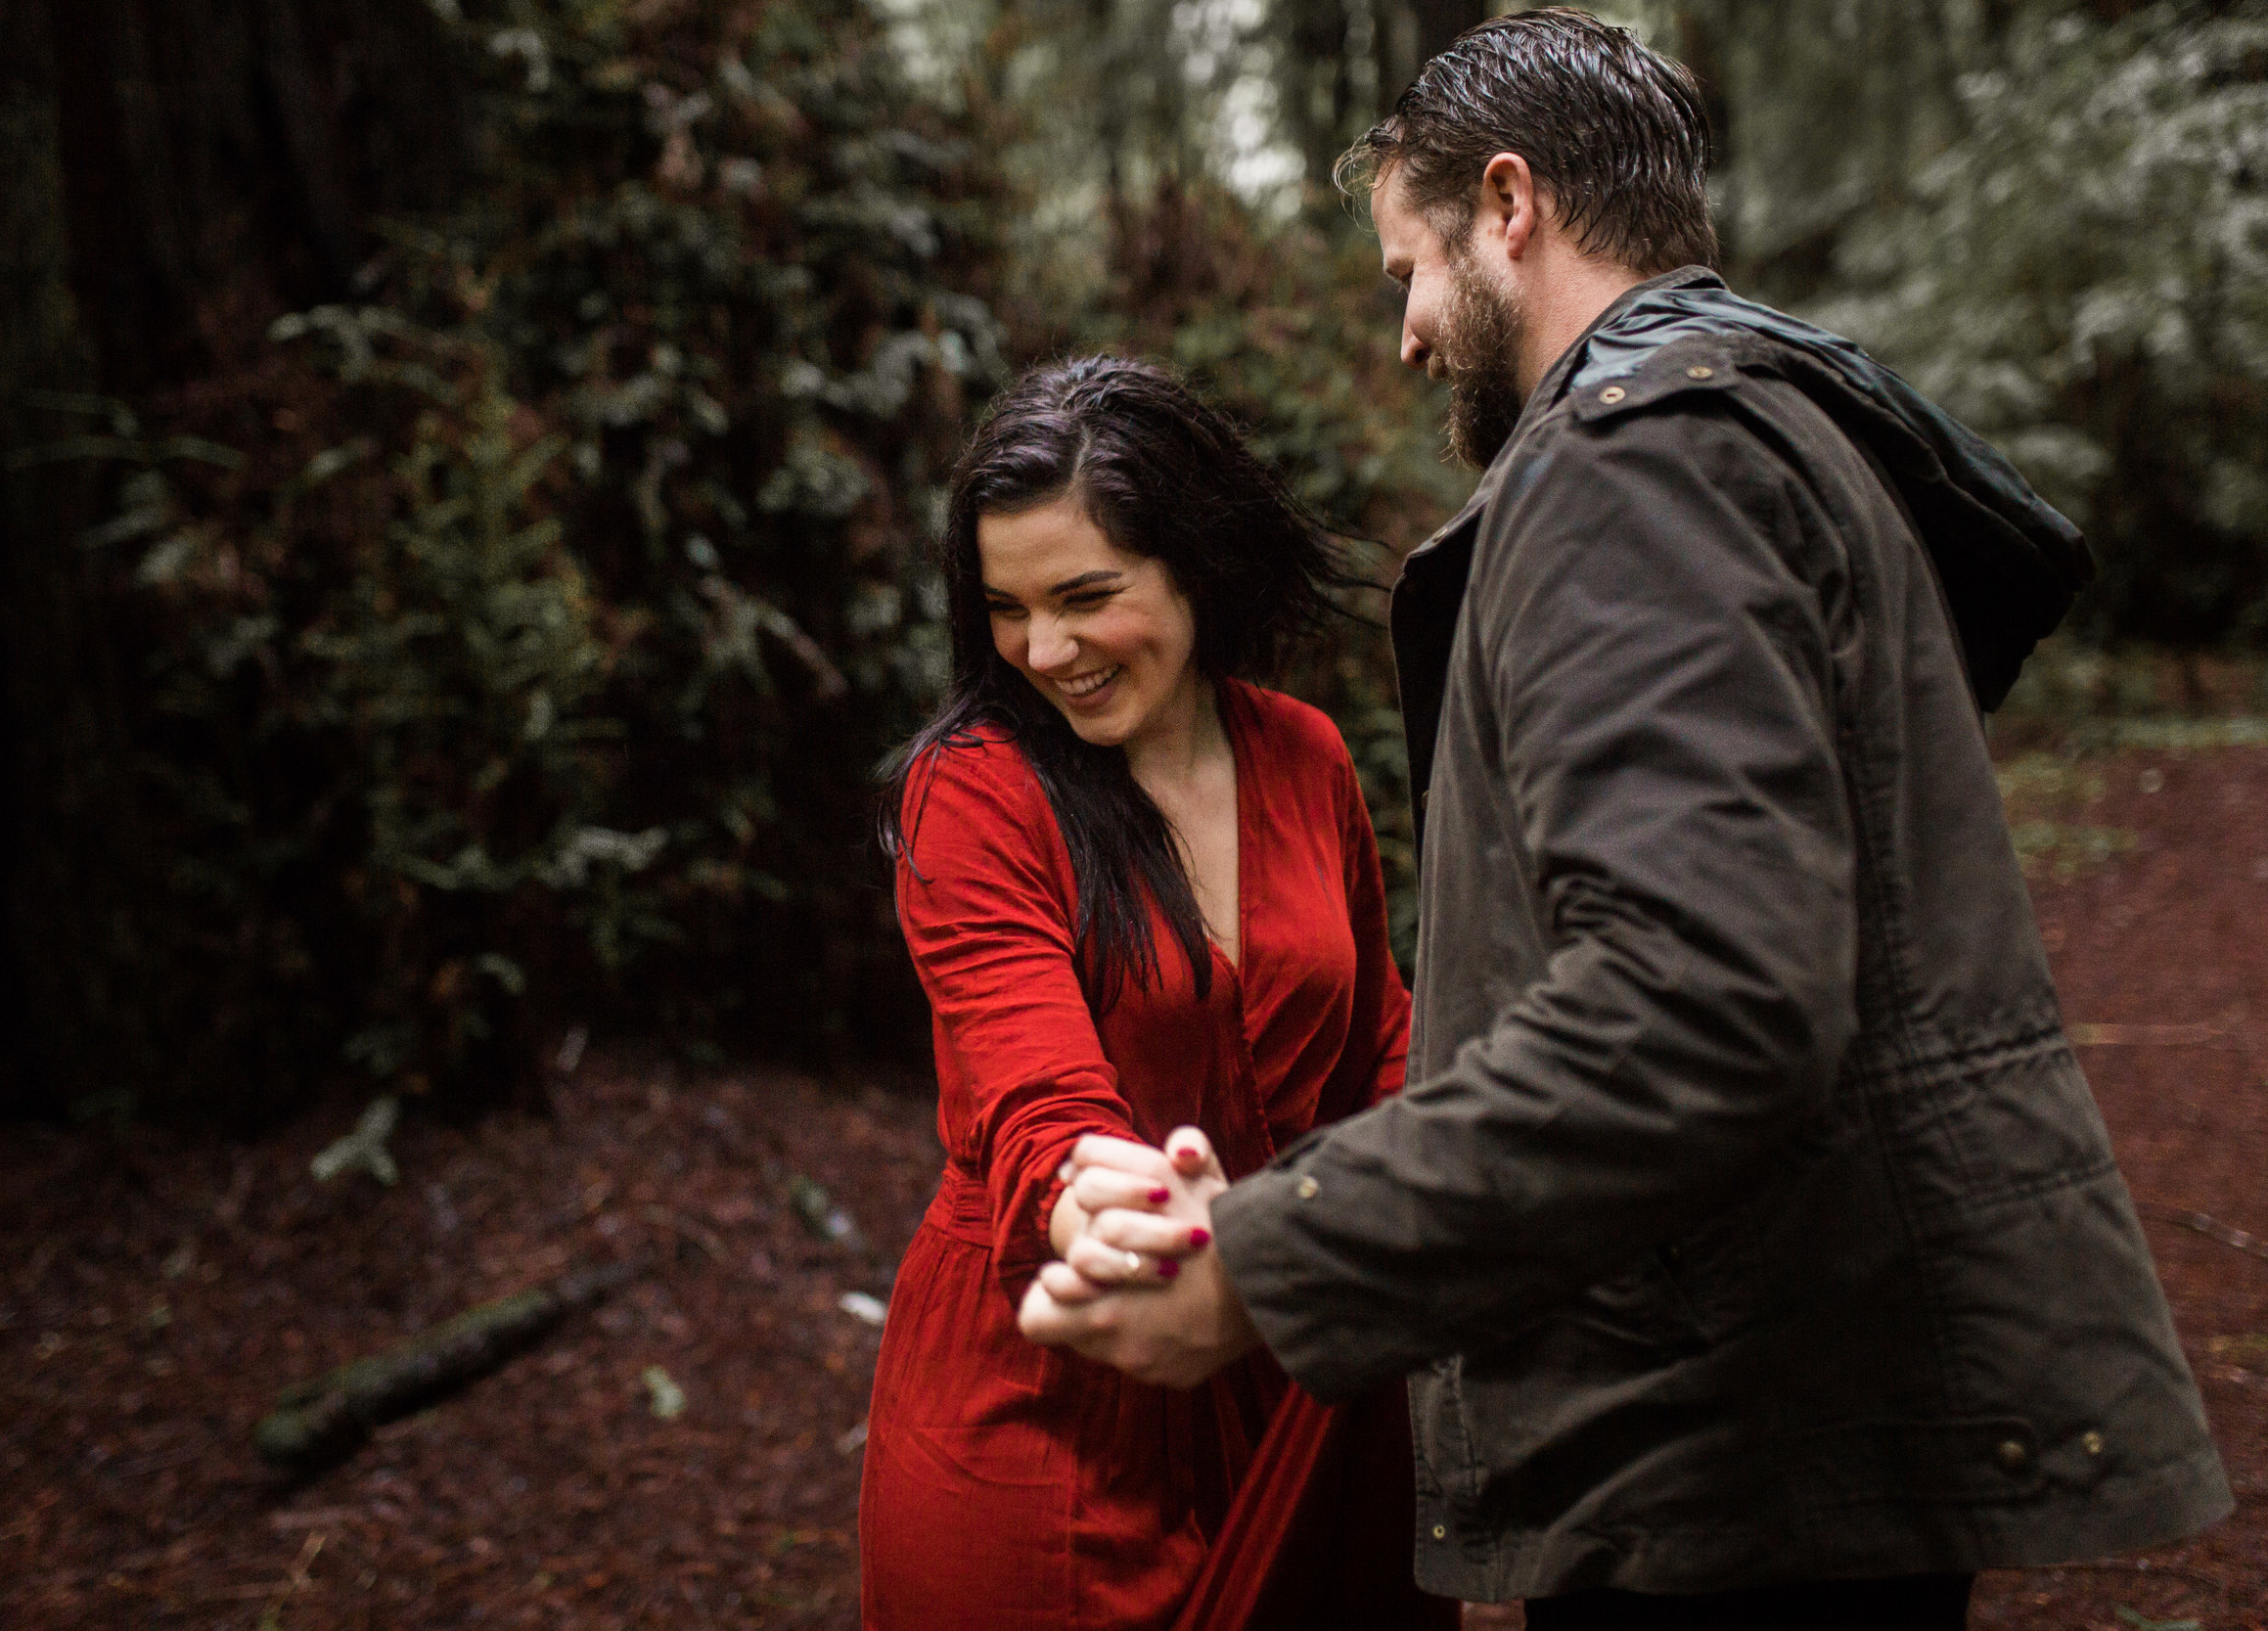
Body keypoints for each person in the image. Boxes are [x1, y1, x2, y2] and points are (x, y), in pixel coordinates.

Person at [1022, 11, 2233, 1629]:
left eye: (1408, 274)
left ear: (1508, 204)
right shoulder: (1750, 432)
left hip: (1724, 1441)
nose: (1406, 337)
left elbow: (1700, 998)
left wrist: (1267, 1263)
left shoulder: (1635, 467)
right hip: (1757, 1409)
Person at [857, 355, 1459, 1630]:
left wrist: (1430, 1237)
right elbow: (1032, 1092)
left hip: (1303, 1379)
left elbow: (1382, 1052)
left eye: (1086, 597)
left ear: (1195, 563)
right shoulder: (974, 790)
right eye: (1009, 609)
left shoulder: (1305, 753)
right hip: (1053, 1386)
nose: (1046, 650)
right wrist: (1120, 1215)